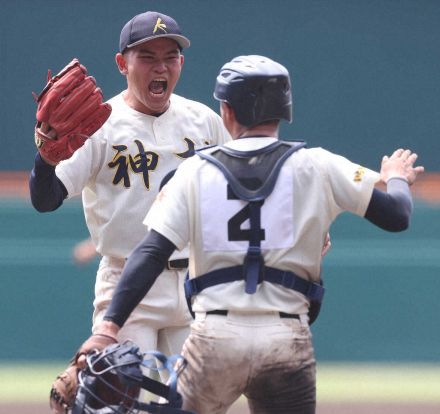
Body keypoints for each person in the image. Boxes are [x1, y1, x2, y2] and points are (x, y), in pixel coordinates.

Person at [76, 55, 424, 414]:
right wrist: (396, 175)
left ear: (226, 111)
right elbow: (397, 215)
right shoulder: (318, 165)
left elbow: (150, 253)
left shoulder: (195, 171)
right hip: (286, 337)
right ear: (284, 109)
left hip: (215, 337)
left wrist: (109, 326)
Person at [29, 10, 231, 359]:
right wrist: (45, 161)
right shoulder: (98, 126)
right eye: (147, 57)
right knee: (125, 397)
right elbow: (45, 199)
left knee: (196, 404)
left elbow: (242, 185)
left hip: (194, 282)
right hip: (126, 284)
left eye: (170, 57)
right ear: (122, 63)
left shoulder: (204, 121)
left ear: (181, 62)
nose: (161, 67)